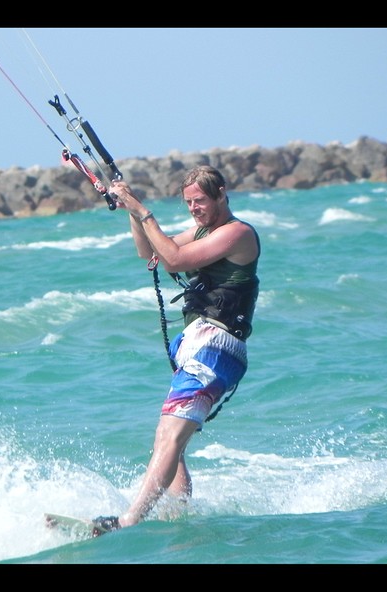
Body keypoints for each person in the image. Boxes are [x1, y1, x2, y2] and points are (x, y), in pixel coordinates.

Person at [91, 165, 261, 534]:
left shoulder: (238, 233)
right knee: (170, 441)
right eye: (188, 203)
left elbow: (174, 260)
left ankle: (129, 520)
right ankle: (178, 518)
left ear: (221, 194)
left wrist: (145, 211)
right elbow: (148, 252)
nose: (194, 208)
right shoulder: (201, 231)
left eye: (200, 200)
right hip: (196, 348)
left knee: (170, 436)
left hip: (216, 348)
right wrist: (133, 212)